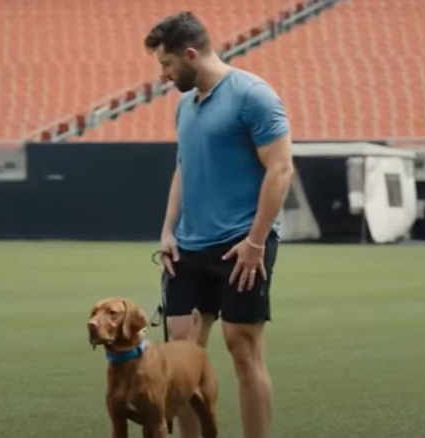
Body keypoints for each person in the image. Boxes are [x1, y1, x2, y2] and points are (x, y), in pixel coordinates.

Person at [144, 11, 295, 438]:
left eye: (167, 65)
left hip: (241, 245)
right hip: (188, 247)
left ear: (190, 55)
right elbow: (183, 167)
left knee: (243, 351)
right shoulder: (184, 106)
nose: (165, 74)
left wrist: (256, 242)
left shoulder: (253, 95)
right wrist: (168, 229)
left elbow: (281, 169)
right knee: (180, 358)